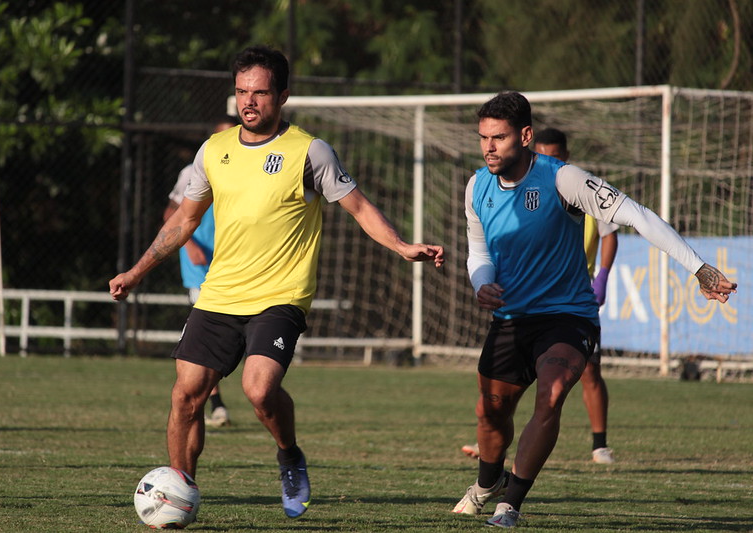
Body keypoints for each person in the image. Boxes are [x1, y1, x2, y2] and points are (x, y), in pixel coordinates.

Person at [110, 45, 444, 521]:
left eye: (261, 92)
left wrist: (402, 245)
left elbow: (361, 209)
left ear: (282, 95)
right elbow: (183, 221)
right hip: (220, 294)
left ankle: (289, 454)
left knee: (259, 389)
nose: (249, 101)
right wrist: (136, 272)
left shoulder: (309, 152)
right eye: (242, 91)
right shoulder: (214, 150)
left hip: (280, 297)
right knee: (186, 393)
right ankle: (180, 495)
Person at [451, 91, 736, 528]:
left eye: (499, 137)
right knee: (490, 415)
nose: (489, 147)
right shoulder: (476, 186)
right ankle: (487, 483)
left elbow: (638, 215)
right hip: (510, 319)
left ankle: (511, 503)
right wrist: (481, 282)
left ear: (525, 136)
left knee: (550, 395)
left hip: (568, 315)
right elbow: (477, 251)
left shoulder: (563, 179)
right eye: (483, 137)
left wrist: (697, 267)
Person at [460, 127, 619, 465]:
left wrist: (602, 277)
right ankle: (493, 447)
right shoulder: (505, 187)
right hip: (522, 307)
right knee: (500, 397)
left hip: (574, 300)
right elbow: (485, 248)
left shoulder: (573, 184)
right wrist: (483, 281)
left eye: (554, 155)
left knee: (585, 373)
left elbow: (610, 233)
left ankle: (599, 443)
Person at [163, 115, 240, 429]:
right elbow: (172, 212)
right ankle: (215, 402)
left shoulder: (253, 167)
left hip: (237, 263)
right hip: (202, 266)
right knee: (207, 335)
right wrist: (189, 244)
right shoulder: (195, 169)